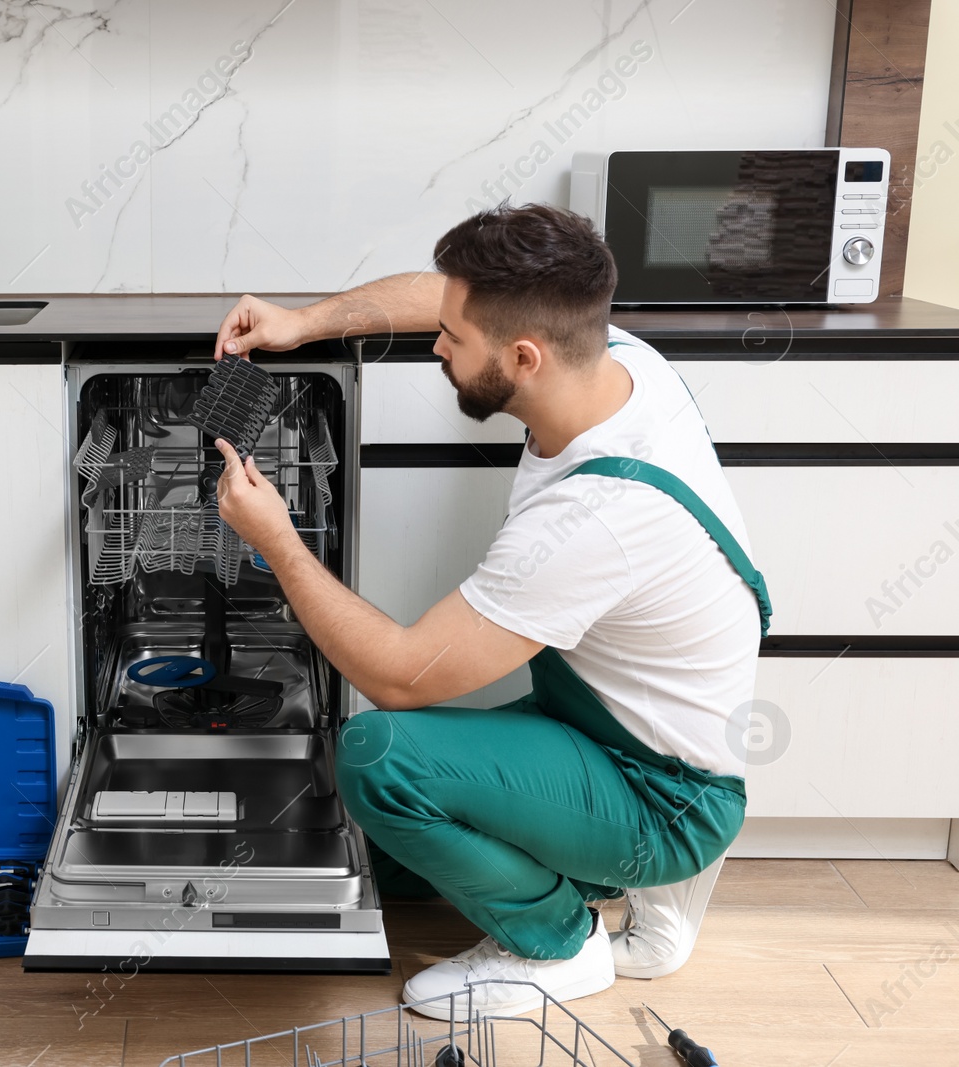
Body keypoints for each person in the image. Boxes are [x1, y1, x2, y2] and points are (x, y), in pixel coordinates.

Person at [209, 203, 767, 1019]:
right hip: (622, 725)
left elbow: (402, 676)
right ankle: (595, 872)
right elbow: (444, 297)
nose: (435, 343)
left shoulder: (592, 520)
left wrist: (280, 543)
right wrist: (306, 322)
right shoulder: (615, 358)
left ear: (523, 357)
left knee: (377, 759)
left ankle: (558, 944)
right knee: (371, 843)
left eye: (452, 339)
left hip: (664, 793)